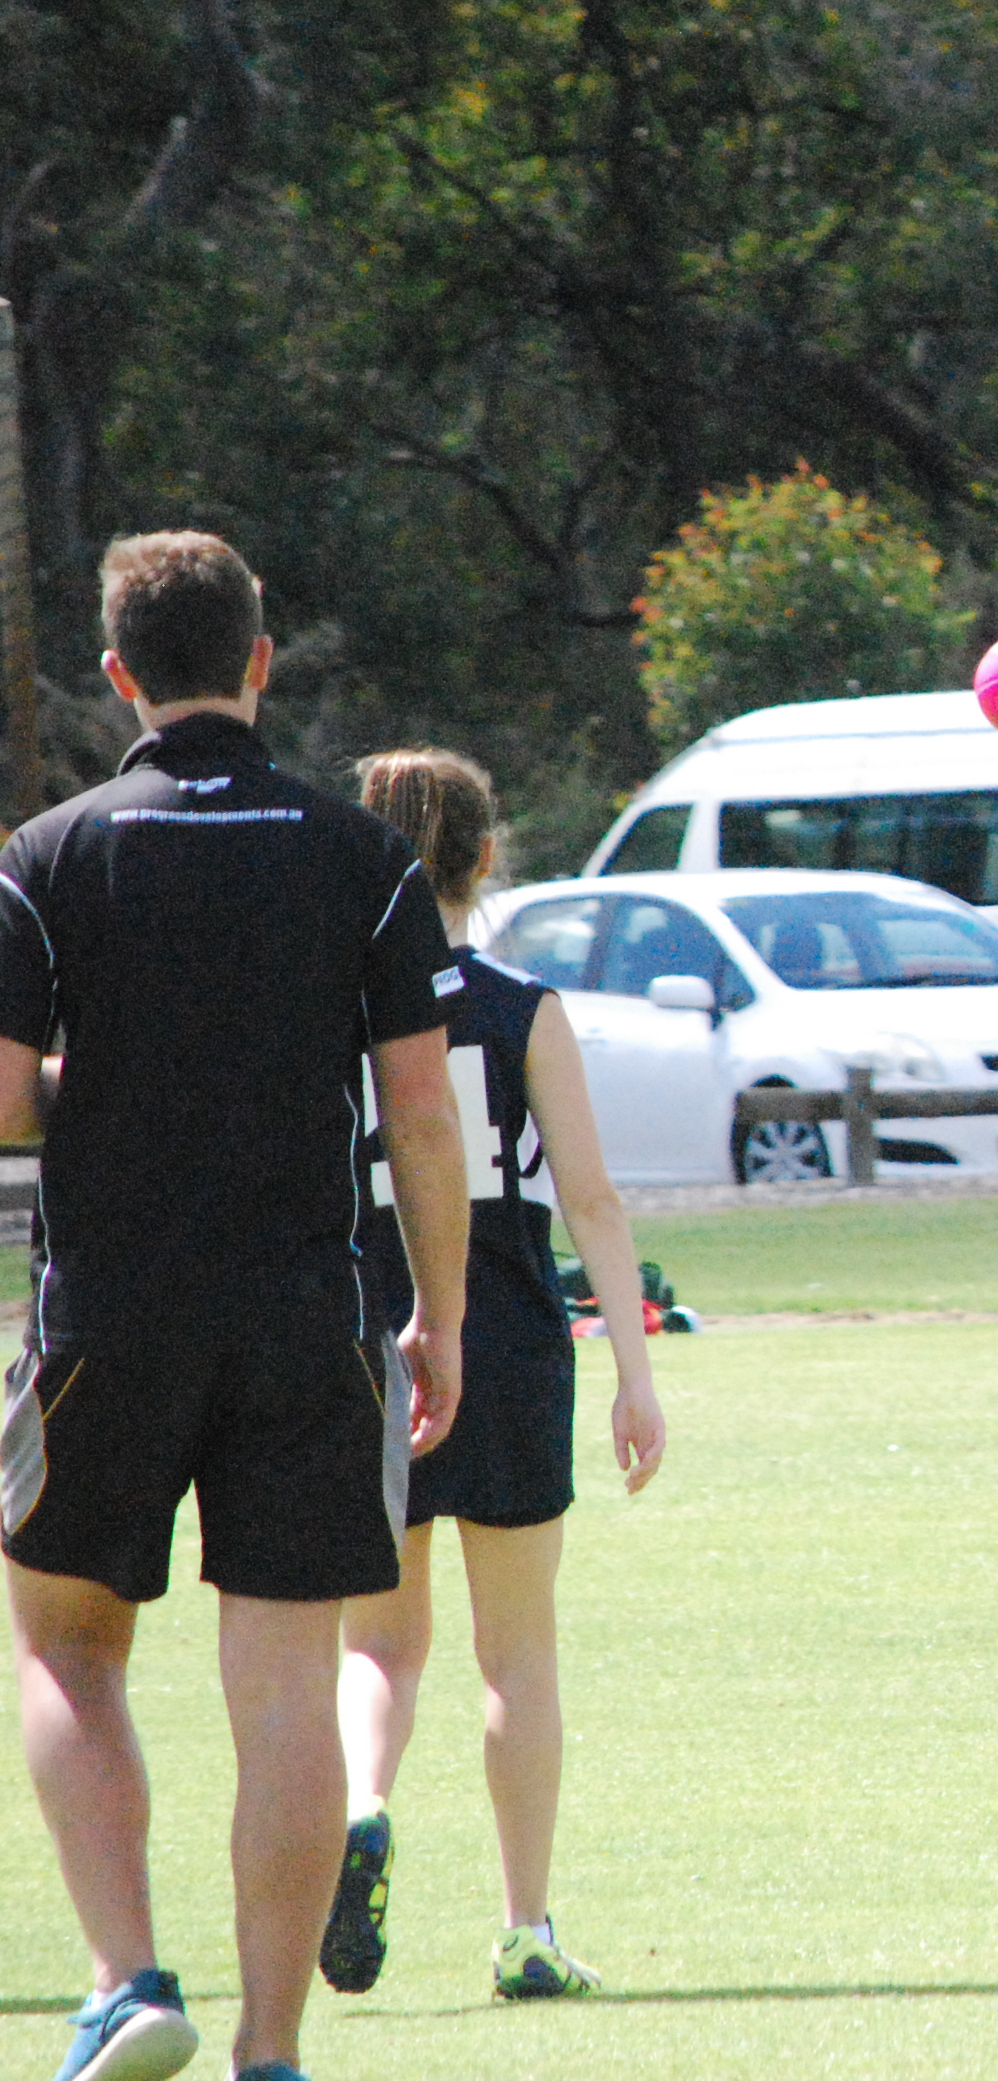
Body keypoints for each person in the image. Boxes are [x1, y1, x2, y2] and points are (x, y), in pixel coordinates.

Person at [0, 531, 467, 2081]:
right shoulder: (366, 858)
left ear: (118, 675)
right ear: (261, 662)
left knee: (67, 1650)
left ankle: (129, 1982)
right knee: (286, 1693)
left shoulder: (47, 856)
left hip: (107, 1318)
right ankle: (273, 2050)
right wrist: (443, 1318)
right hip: (306, 1320)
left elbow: (5, 1101)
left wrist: (97, 1072)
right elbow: (421, 1119)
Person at [322, 751, 668, 2004]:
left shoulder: (330, 1011)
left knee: (379, 1646)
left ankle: (362, 1811)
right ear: (484, 858)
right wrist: (636, 1376)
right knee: (516, 1657)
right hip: (512, 1345)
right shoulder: (524, 1009)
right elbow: (593, 1202)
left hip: (370, 1349)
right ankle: (526, 1929)